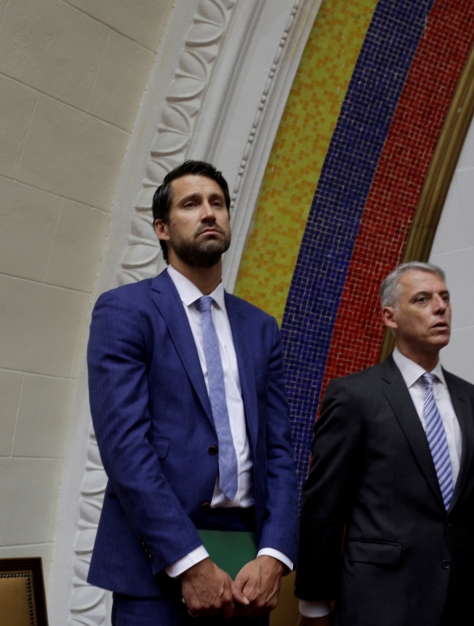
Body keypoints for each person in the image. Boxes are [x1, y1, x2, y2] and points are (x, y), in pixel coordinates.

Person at [86, 160, 299, 625]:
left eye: (217, 203)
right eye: (192, 204)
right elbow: (125, 450)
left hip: (248, 570)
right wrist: (190, 561)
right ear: (162, 228)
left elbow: (278, 452)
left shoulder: (261, 328)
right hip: (157, 568)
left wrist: (275, 554)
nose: (209, 213)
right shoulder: (126, 311)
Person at [295, 262, 474, 626]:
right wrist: (314, 605)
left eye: (444, 298)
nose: (440, 308)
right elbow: (323, 507)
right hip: (378, 602)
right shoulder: (354, 396)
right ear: (390, 317)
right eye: (423, 299)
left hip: (460, 604)